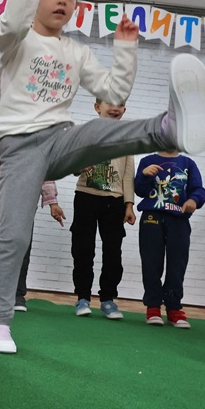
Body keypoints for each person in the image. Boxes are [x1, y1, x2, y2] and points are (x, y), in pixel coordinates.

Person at [0, 0, 205, 354]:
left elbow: (113, 93)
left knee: (100, 129)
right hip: (18, 149)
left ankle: (168, 130)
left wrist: (125, 49)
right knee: (14, 236)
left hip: (60, 139)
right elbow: (10, 22)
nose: (62, 0)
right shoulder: (17, 40)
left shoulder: (77, 52)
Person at [0, 138, 65, 310]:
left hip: (26, 203)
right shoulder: (2, 138)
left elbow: (46, 174)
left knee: (24, 249)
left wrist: (53, 203)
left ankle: (17, 295)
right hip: (3, 201)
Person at [70, 99, 136, 319]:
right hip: (86, 197)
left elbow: (128, 173)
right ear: (97, 107)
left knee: (113, 252)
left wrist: (129, 204)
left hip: (114, 201)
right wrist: (79, 166)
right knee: (83, 249)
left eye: (120, 103)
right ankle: (82, 297)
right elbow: (72, 165)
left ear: (124, 110)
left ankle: (108, 299)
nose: (115, 107)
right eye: (110, 102)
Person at [134, 149, 205, 328]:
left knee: (177, 263)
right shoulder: (147, 161)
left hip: (179, 220)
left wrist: (194, 200)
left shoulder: (188, 164)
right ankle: (153, 306)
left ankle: (174, 307)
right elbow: (140, 190)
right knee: (151, 261)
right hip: (152, 217)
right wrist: (144, 175)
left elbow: (198, 189)